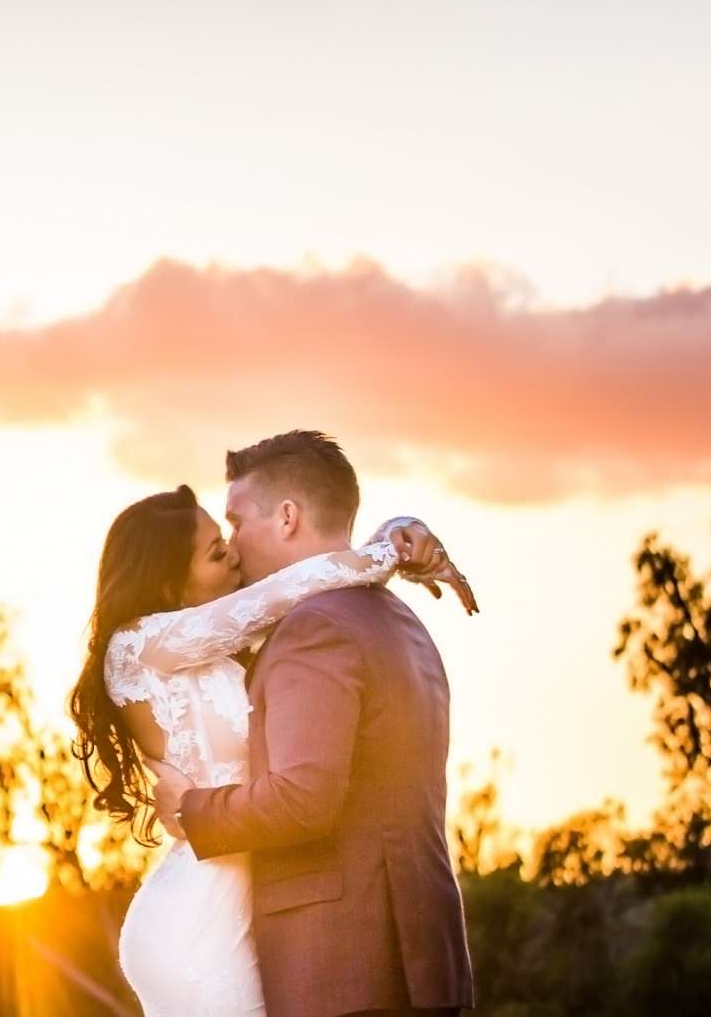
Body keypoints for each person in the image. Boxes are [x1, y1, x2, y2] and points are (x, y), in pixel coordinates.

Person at [67, 430, 478, 1017]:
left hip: (304, 934)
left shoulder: (301, 630)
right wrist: (396, 543)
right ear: (165, 582)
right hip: (204, 923)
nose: (233, 547)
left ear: (287, 516)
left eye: (233, 526)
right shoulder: (145, 646)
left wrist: (194, 810)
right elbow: (291, 588)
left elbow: (304, 793)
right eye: (217, 547)